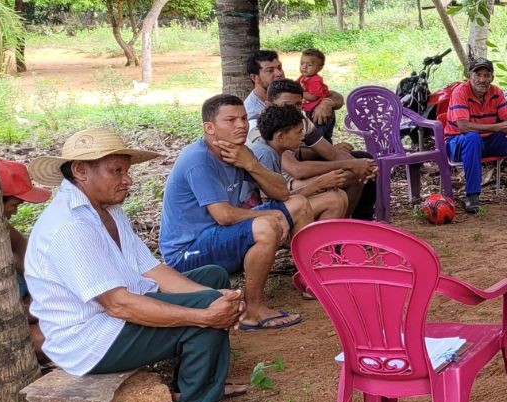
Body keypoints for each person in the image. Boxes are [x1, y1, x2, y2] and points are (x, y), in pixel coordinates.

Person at [25, 127, 256, 402]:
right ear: (81, 171)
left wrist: (221, 296)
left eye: (127, 170)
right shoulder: (69, 226)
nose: (127, 179)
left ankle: (195, 383)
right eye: (116, 171)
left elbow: (151, 269)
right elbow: (118, 305)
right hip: (92, 339)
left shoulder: (106, 210)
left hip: (115, 317)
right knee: (205, 313)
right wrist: (204, 314)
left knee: (211, 279)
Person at [159, 94, 302, 331]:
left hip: (217, 235)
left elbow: (282, 193)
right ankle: (252, 310)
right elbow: (223, 215)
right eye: (231, 120)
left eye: (244, 118)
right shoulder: (198, 159)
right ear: (209, 128)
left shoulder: (238, 152)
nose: (241, 125)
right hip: (186, 253)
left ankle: (308, 281)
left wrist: (251, 165)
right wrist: (269, 216)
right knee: (265, 227)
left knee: (298, 204)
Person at [263, 79, 380, 221]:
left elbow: (331, 153)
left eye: (298, 105)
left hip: (292, 181)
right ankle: (327, 236)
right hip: (283, 186)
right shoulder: (263, 128)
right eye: (287, 105)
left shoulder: (300, 121)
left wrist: (364, 166)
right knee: (336, 196)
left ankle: (348, 228)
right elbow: (297, 170)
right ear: (268, 105)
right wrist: (351, 165)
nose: (293, 110)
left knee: (357, 170)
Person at [446, 59, 507, 213]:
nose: (482, 80)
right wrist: (498, 127)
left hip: (487, 140)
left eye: (487, 75)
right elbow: (463, 126)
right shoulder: (460, 92)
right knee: (472, 138)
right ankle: (472, 196)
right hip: (457, 142)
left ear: (492, 77)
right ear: (469, 76)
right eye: (478, 75)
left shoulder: (496, 92)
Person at [248, 105, 351, 224]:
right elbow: (269, 204)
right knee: (334, 200)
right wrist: (318, 184)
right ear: (280, 137)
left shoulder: (272, 148)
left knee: (339, 195)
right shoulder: (266, 154)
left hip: (272, 209)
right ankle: (310, 242)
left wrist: (319, 185)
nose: (302, 137)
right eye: (298, 132)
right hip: (259, 217)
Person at [1, 159, 51, 362]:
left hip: (26, 309)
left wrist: (36, 290)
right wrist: (27, 312)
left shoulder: (3, 231)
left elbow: (24, 250)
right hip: (7, 326)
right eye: (13, 205)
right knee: (53, 340)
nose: (14, 212)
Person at [244, 49, 342, 144]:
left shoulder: (287, 90)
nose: (279, 73)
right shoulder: (252, 113)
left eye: (279, 67)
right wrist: (329, 151)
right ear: (254, 77)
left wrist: (326, 103)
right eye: (270, 71)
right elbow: (278, 151)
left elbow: (337, 97)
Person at [297, 48, 336, 142]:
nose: (304, 67)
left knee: (316, 136)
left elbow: (312, 96)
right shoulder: (302, 78)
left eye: (309, 65)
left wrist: (297, 92)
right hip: (307, 110)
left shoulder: (316, 80)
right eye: (302, 63)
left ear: (320, 67)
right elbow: (294, 86)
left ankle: (322, 149)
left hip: (316, 112)